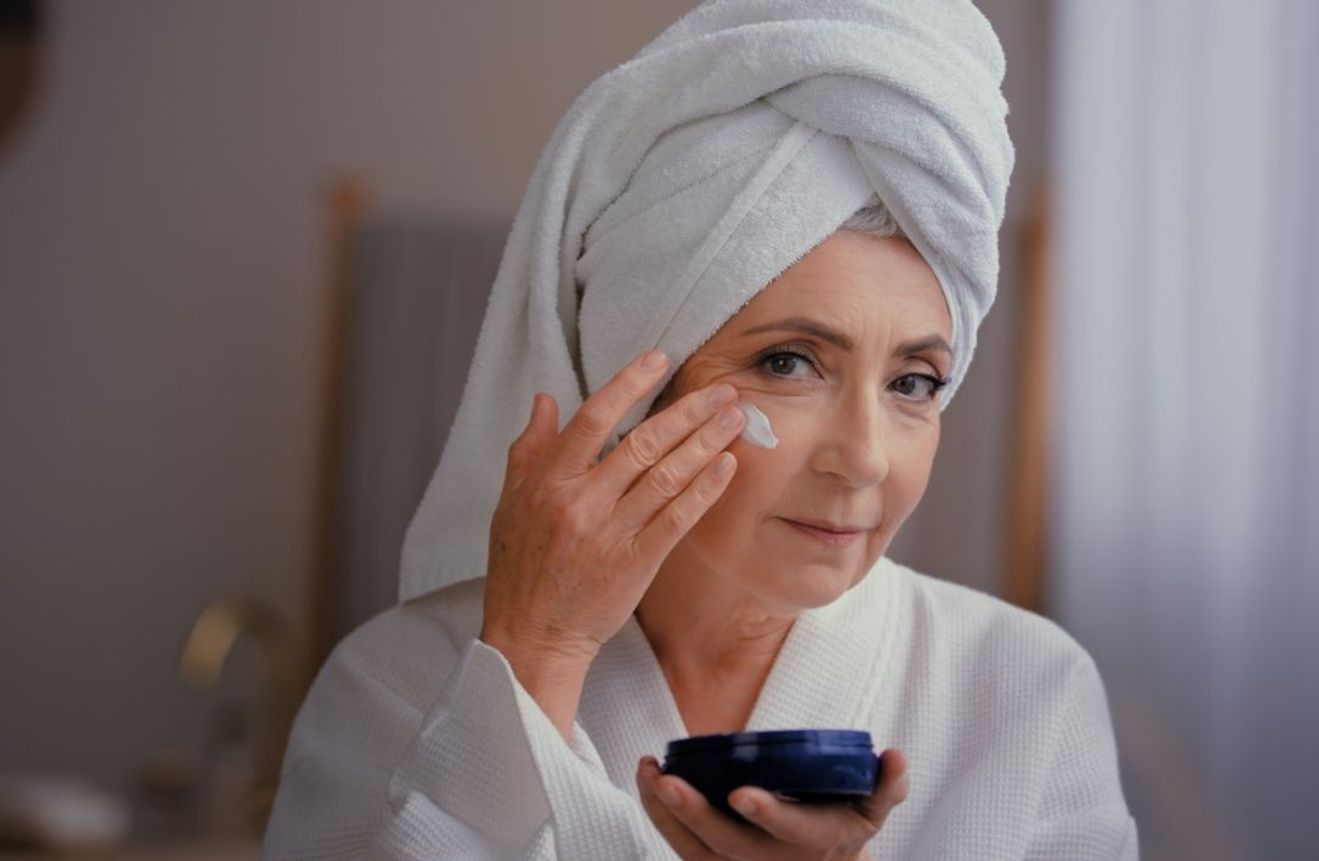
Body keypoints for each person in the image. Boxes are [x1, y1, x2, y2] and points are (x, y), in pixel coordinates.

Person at [265, 2, 1137, 858]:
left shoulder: (1025, 692)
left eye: (913, 382)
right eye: (788, 363)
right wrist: (535, 660)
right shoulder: (397, 684)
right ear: (632, 384)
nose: (865, 459)